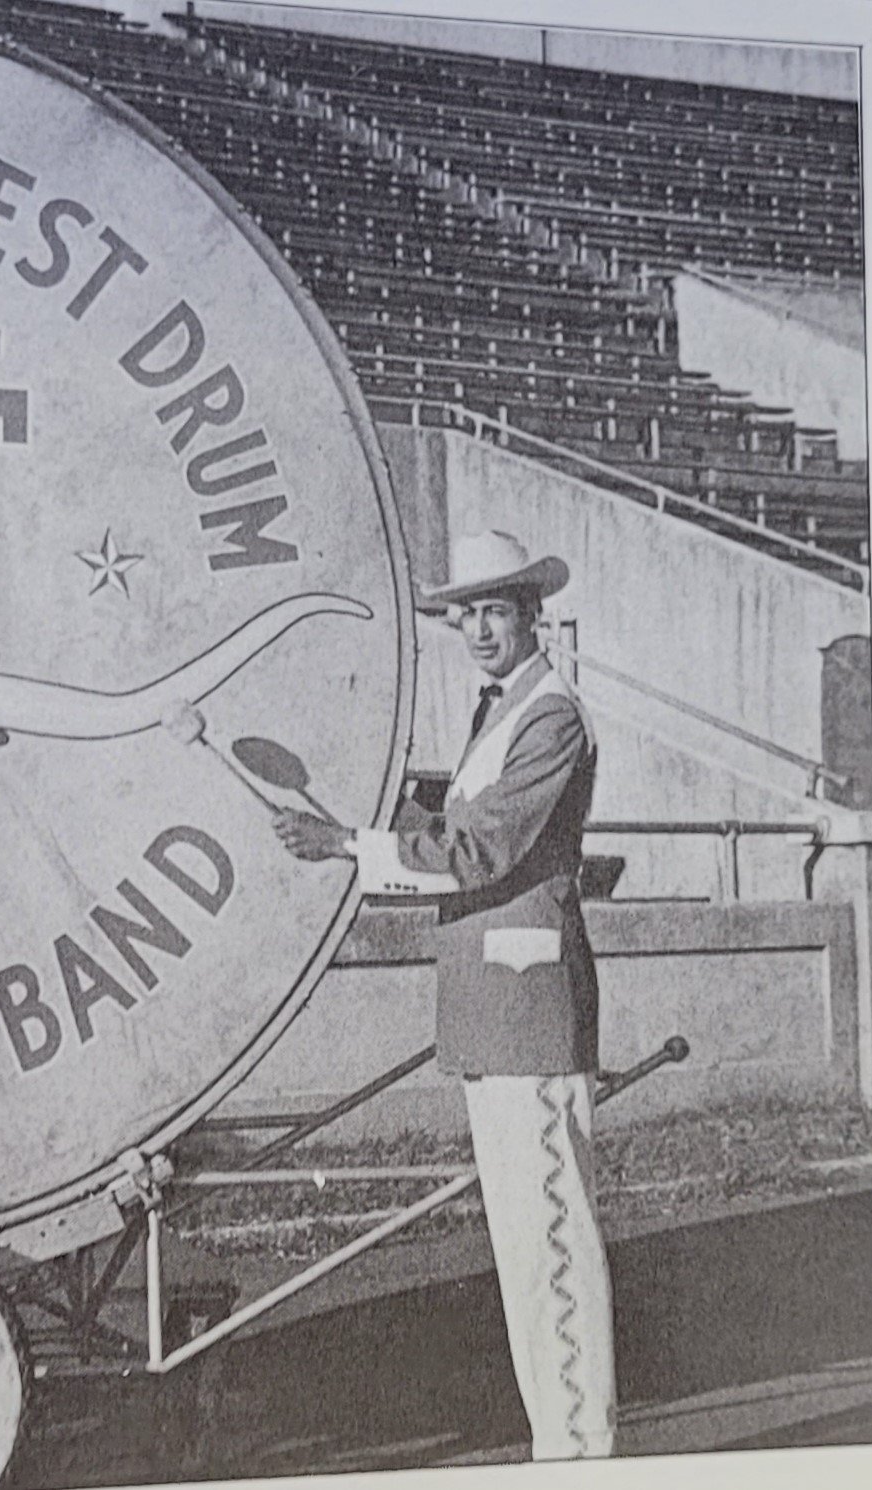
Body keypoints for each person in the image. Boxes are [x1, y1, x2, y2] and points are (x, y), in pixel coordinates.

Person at [274, 529, 614, 1460]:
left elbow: (481, 851)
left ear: (530, 614)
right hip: (490, 1020)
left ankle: (581, 1453)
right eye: (462, 614)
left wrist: (349, 844)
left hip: (530, 1016)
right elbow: (455, 823)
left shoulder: (552, 717)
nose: (475, 629)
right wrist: (363, 814)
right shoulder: (499, 712)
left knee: (555, 1251)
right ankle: (565, 1443)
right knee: (525, 1253)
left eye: (492, 611)